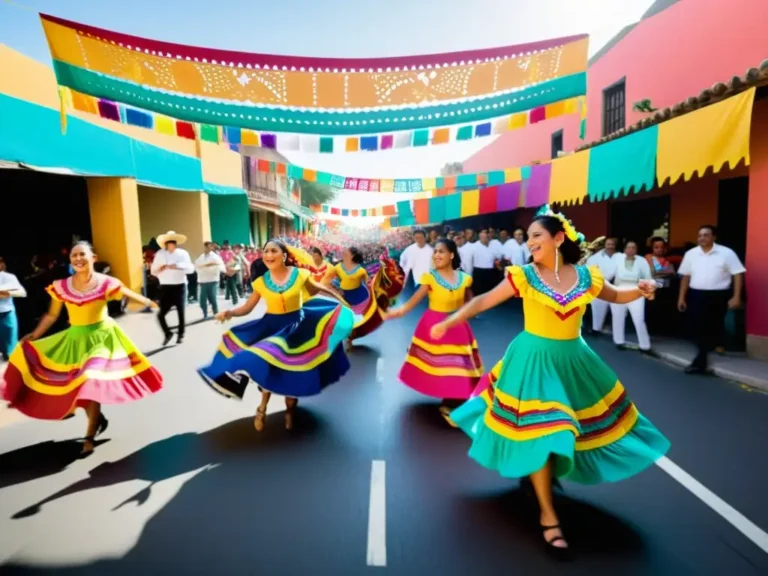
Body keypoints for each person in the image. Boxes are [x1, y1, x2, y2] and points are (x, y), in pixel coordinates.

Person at [430, 206, 669, 557]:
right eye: (527, 238)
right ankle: (548, 514)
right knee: (548, 430)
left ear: (558, 238)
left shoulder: (589, 277)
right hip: (532, 362)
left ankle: (542, 480)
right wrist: (450, 321)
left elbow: (618, 295)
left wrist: (642, 289)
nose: (530, 243)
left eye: (536, 235)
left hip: (574, 362)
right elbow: (483, 300)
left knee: (565, 430)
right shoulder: (524, 276)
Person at [0, 242, 162, 457]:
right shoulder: (61, 286)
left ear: (93, 258)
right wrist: (35, 334)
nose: (77, 258)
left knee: (89, 377)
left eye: (82, 254)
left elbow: (126, 293)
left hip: (103, 337)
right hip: (75, 339)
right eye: (74, 255)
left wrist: (150, 302)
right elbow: (51, 315)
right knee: (79, 384)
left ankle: (89, 436)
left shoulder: (106, 282)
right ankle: (98, 419)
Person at [198, 239, 353, 432]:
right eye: (266, 251)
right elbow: (247, 308)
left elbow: (320, 289)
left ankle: (289, 410)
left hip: (297, 328)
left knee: (292, 372)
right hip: (271, 329)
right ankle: (261, 409)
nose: (269, 255)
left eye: (273, 251)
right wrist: (229, 313)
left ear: (284, 256)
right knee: (264, 365)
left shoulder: (300, 275)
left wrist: (343, 302)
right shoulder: (261, 283)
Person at [385, 238, 483, 424]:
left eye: (441, 251)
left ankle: (452, 400)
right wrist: (397, 311)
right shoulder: (429, 278)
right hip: (433, 326)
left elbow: (471, 302)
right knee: (441, 366)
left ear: (451, 255)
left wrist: (472, 310)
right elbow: (413, 301)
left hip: (457, 326)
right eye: (435, 251)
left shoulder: (464, 279)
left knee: (460, 366)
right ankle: (449, 402)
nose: (436, 255)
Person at [677, 225, 745, 374]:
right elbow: (685, 276)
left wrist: (736, 296)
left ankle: (701, 360)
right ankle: (702, 358)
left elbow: (738, 274)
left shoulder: (726, 253)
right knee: (697, 326)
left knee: (713, 326)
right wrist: (681, 297)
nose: (702, 238)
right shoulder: (691, 254)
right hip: (696, 294)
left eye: (706, 235)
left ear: (714, 237)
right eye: (700, 235)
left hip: (719, 295)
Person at [151, 231, 194, 346]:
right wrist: (161, 268)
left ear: (175, 244)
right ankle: (167, 333)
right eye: (168, 243)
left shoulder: (183, 253)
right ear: (165, 244)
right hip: (165, 287)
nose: (171, 245)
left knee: (181, 311)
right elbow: (153, 271)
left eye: (173, 243)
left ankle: (181, 334)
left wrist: (177, 266)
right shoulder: (160, 254)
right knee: (160, 314)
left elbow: (190, 269)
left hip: (180, 286)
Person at [610, 241, 654, 354]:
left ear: (636, 249)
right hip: (619, 289)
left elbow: (647, 276)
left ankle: (645, 346)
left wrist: (649, 293)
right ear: (624, 249)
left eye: (633, 247)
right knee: (618, 317)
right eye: (628, 247)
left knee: (639, 318)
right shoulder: (617, 259)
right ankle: (618, 341)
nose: (630, 249)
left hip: (635, 290)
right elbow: (608, 273)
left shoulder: (641, 261)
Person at [0, 257, 27, 362]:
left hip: (7, 314)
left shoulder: (9, 277)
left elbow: (22, 293)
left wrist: (5, 293)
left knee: (10, 351)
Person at [195, 241, 226, 319]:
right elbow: (197, 266)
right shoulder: (201, 257)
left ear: (212, 247)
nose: (208, 248)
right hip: (203, 281)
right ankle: (204, 313)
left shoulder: (215, 257)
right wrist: (205, 267)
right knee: (202, 299)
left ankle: (216, 312)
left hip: (213, 280)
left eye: (210, 247)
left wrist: (209, 267)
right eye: (206, 247)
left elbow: (220, 266)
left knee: (213, 298)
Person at [398, 229, 434, 295]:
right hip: (414, 281)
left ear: (425, 237)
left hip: (428, 281)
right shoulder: (408, 250)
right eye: (416, 238)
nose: (419, 239)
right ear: (414, 238)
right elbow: (402, 262)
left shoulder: (431, 250)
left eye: (421, 237)